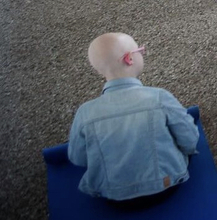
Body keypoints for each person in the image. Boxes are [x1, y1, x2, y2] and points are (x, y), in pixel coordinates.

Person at [68, 33, 199, 205]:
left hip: (114, 196)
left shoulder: (85, 112)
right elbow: (189, 138)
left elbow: (77, 158)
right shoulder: (160, 97)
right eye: (140, 50)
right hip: (166, 186)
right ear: (129, 58)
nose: (142, 53)